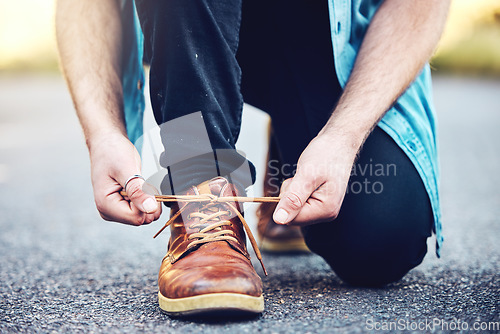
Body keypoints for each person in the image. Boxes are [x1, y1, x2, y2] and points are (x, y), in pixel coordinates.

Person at [56, 0, 450, 316]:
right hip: (193, 23)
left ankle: (293, 149)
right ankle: (201, 177)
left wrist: (343, 137)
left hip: (319, 34)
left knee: (378, 242)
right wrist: (102, 133)